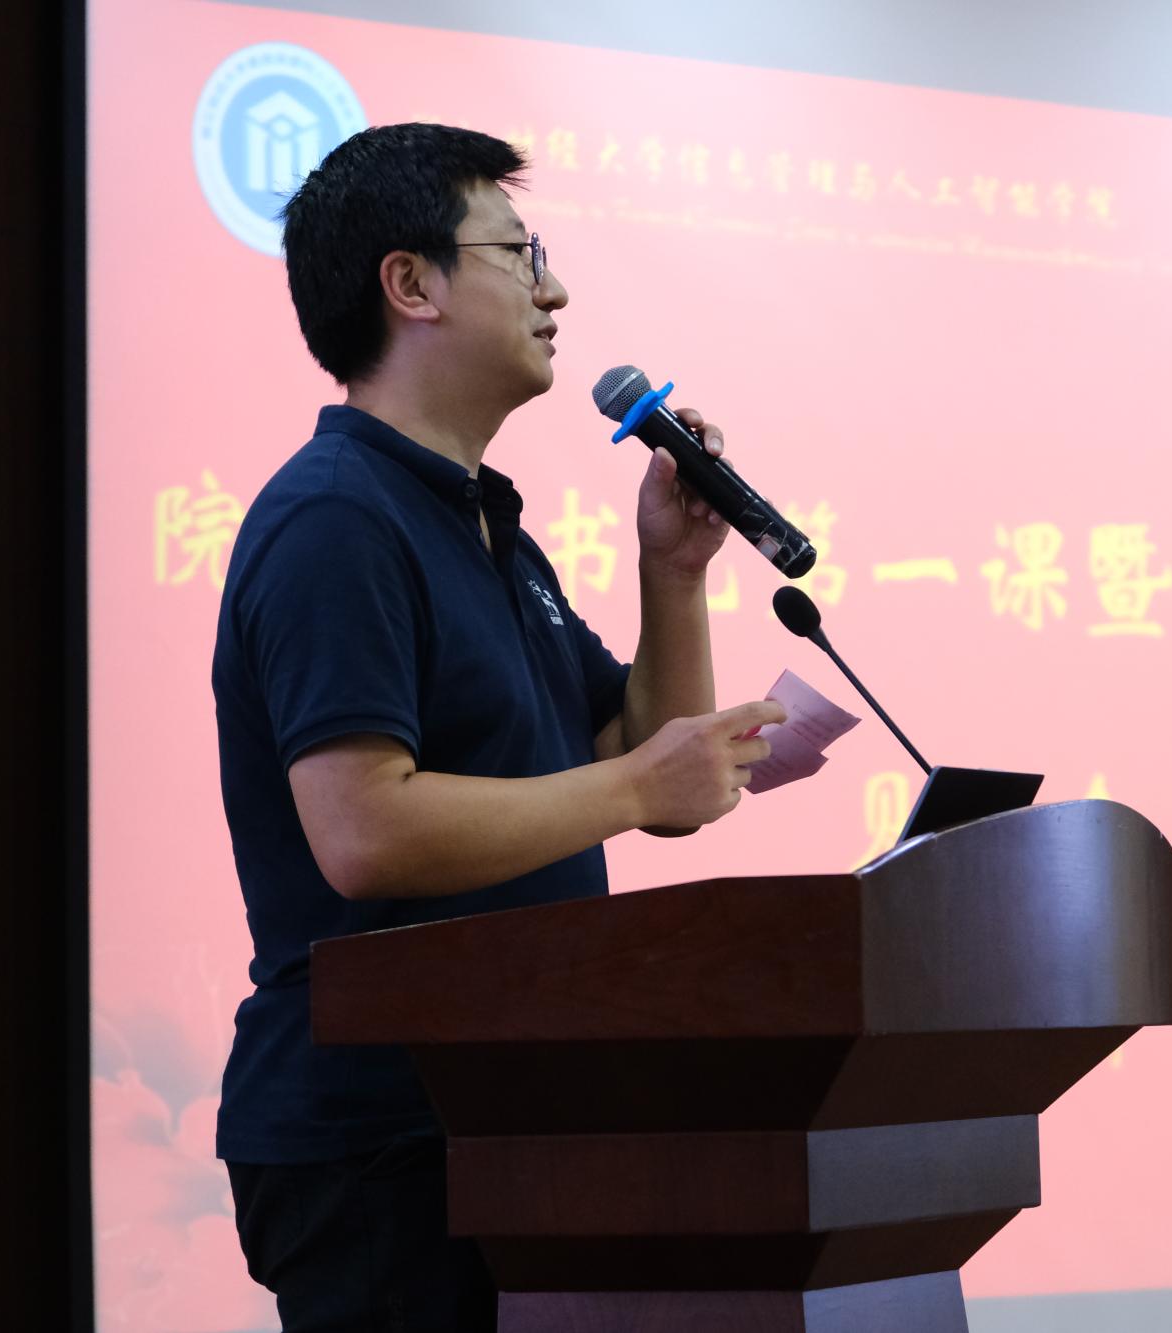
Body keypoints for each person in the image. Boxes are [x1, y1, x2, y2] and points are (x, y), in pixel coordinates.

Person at [210, 122, 783, 1331]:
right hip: (383, 1135)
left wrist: (673, 572)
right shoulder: (335, 519)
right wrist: (637, 785)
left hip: (517, 1109)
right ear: (409, 284)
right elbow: (363, 829)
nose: (553, 290)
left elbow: (638, 751)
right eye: (520, 255)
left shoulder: (487, 529)